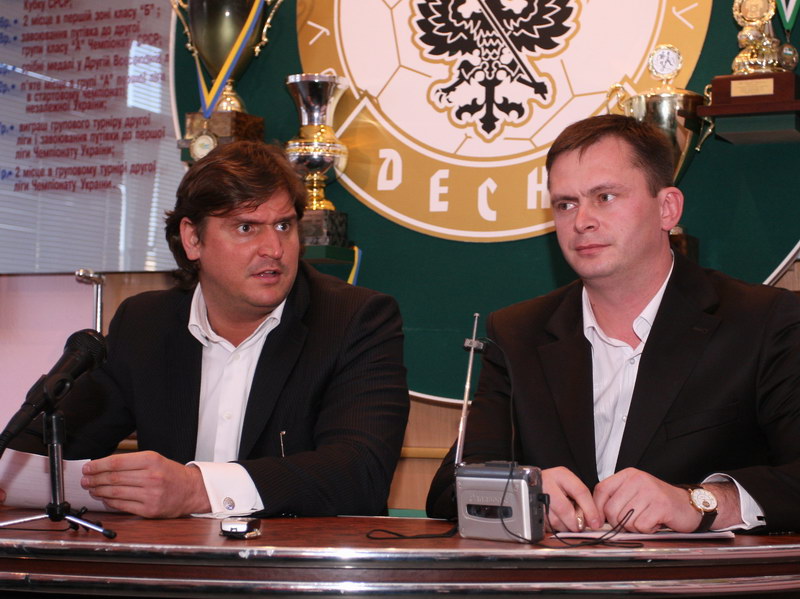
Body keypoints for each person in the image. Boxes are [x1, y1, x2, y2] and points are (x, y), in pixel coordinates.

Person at [427, 114, 800, 534]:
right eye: (566, 204)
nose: (581, 221)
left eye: (605, 197)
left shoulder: (764, 321)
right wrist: (523, 491)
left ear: (667, 208)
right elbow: (449, 487)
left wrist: (701, 501)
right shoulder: (518, 333)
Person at [10, 141, 410, 519]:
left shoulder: (354, 320)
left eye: (284, 226)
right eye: (246, 227)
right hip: (172, 561)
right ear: (192, 239)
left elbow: (361, 472)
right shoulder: (145, 323)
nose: (274, 249)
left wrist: (197, 488)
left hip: (297, 561)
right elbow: (48, 442)